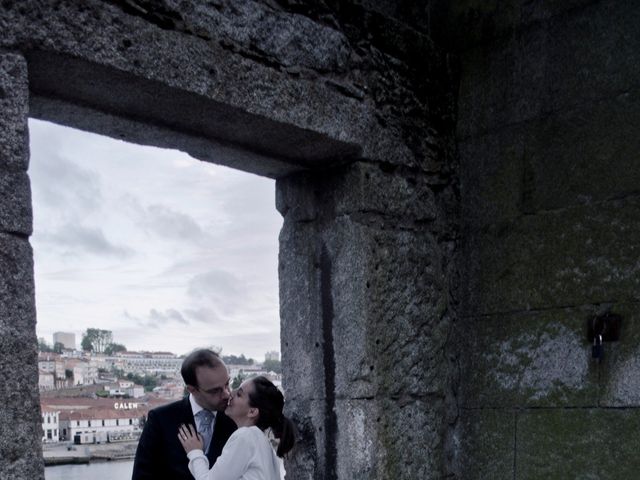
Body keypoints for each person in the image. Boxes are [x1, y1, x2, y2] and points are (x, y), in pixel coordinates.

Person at [132, 349, 237, 480]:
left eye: (227, 384)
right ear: (192, 390)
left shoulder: (237, 418)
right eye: (215, 391)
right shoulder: (161, 420)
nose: (227, 394)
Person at [178, 375, 296, 480]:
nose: (231, 394)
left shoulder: (245, 437)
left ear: (252, 411)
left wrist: (195, 452)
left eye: (239, 394)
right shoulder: (262, 443)